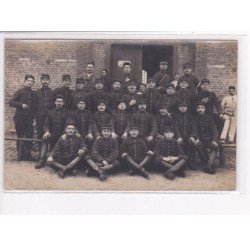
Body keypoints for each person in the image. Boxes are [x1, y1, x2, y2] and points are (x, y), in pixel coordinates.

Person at [34, 95, 70, 169]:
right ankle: (42, 160)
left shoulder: (67, 112)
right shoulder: (50, 112)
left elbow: (67, 124)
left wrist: (64, 133)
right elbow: (46, 124)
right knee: (45, 138)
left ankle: (59, 161)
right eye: (57, 101)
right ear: (55, 102)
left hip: (62, 134)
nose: (59, 103)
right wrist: (47, 131)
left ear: (63, 103)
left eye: (61, 102)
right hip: (52, 134)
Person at [9, 74, 37, 161]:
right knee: (20, 136)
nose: (30, 82)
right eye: (28, 81)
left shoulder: (34, 94)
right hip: (19, 118)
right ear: (24, 81)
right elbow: (11, 102)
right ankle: (20, 155)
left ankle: (28, 155)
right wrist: (21, 105)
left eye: (32, 81)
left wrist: (34, 119)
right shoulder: (20, 92)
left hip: (29, 119)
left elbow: (35, 107)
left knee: (29, 136)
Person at [194, 103, 219, 174]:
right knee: (198, 145)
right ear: (196, 110)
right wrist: (197, 138)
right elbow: (194, 129)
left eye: (202, 108)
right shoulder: (195, 118)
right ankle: (207, 163)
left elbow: (214, 129)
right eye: (198, 108)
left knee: (215, 146)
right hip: (201, 139)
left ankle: (209, 165)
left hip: (210, 139)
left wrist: (214, 140)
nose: (200, 109)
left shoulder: (209, 117)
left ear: (204, 109)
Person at [174, 102, 197, 170]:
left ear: (187, 108)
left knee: (191, 144)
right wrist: (178, 137)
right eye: (181, 107)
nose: (183, 108)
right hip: (179, 136)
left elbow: (194, 127)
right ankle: (180, 163)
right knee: (179, 145)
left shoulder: (190, 116)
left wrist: (192, 136)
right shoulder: (176, 116)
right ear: (178, 108)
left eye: (184, 106)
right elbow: (175, 128)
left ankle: (191, 163)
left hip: (188, 136)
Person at [35, 74, 55, 140]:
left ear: (49, 81)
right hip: (40, 117)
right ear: (41, 81)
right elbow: (34, 105)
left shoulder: (53, 92)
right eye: (43, 80)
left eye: (47, 80)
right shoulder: (37, 92)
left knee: (50, 132)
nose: (45, 81)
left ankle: (48, 149)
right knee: (40, 133)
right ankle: (40, 149)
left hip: (50, 116)